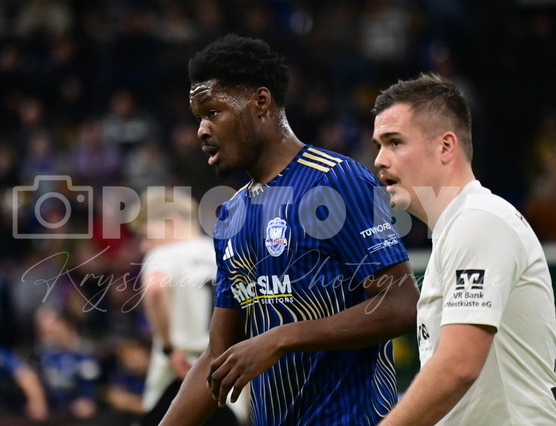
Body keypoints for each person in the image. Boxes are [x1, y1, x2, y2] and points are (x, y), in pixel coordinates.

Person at [160, 34, 419, 425]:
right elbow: (218, 354)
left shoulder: (335, 181)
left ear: (260, 102)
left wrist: (281, 338)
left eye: (212, 111)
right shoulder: (231, 216)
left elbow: (402, 304)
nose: (202, 130)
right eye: (199, 117)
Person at [370, 73, 556, 425]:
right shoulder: (459, 228)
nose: (380, 160)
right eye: (378, 146)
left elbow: (459, 366)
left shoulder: (478, 222)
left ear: (446, 147)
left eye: (395, 142)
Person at [128, 188, 244, 425]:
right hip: (226, 379)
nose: (143, 246)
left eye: (146, 235)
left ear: (171, 222)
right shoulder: (225, 251)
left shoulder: (164, 254)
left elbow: (155, 288)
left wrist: (169, 348)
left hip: (179, 375)